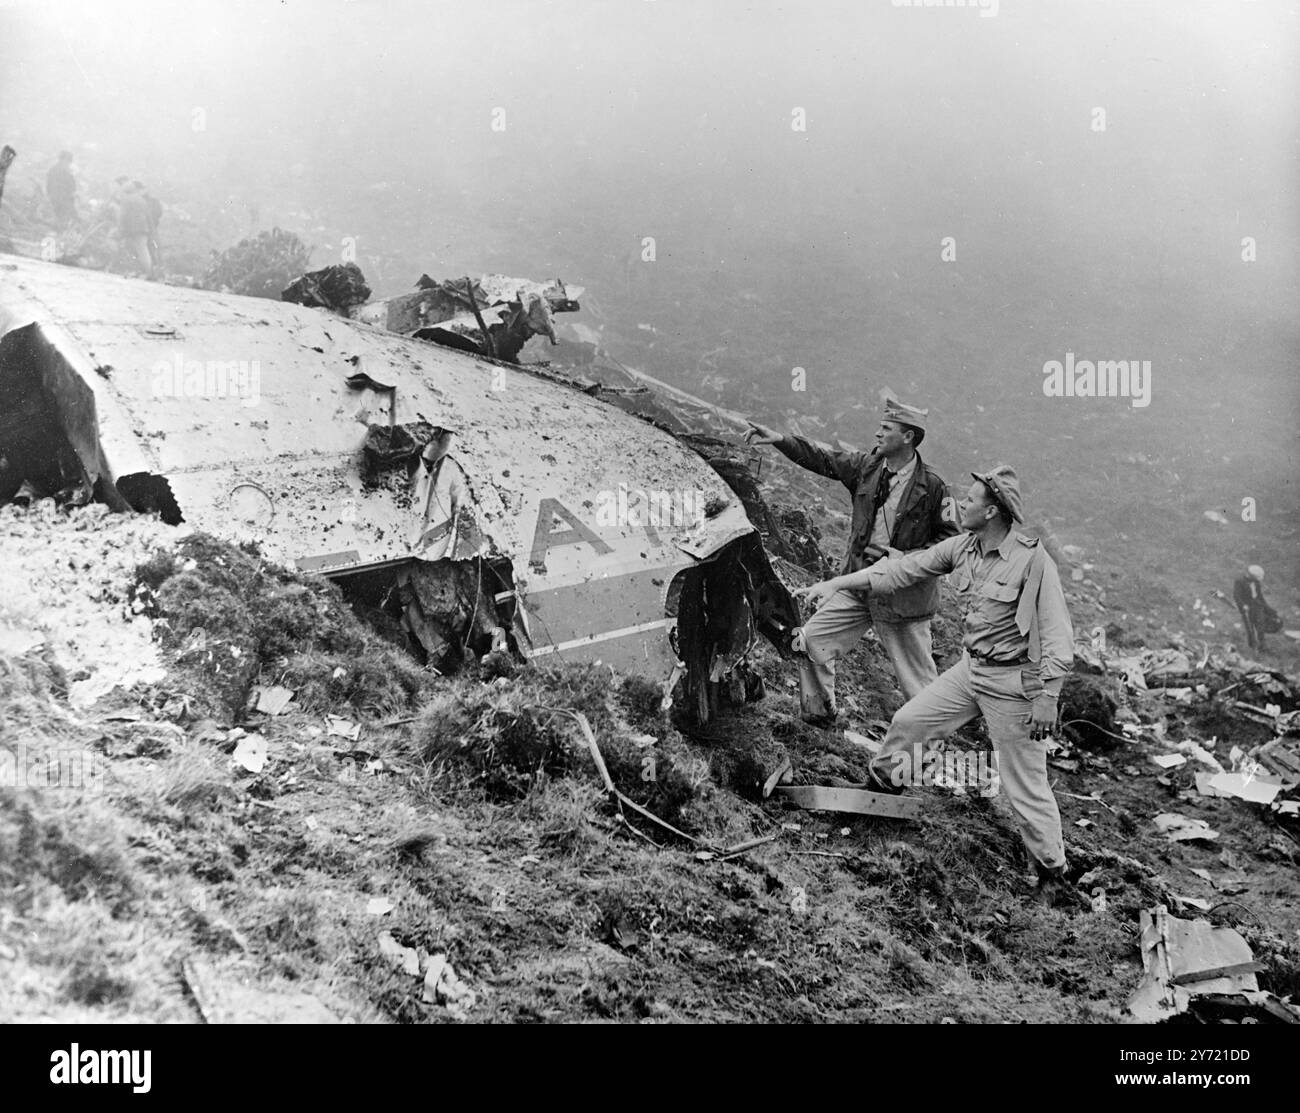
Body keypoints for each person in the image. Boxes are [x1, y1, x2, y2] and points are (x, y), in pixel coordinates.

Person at [796, 465, 1076, 905]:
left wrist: (1048, 696)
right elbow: (900, 571)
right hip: (973, 669)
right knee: (911, 720)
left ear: (992, 512)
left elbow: (1058, 635)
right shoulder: (963, 548)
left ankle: (1052, 874)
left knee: (1022, 782)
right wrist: (834, 583)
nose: (960, 504)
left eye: (971, 500)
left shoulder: (1033, 561)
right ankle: (883, 795)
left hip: (1016, 682)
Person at [746, 396, 958, 724]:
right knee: (811, 642)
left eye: (886, 428)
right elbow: (824, 459)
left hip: (903, 600)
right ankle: (818, 720)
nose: (877, 433)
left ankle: (923, 757)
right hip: (857, 586)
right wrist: (781, 441)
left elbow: (953, 543)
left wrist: (907, 559)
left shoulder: (933, 488)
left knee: (918, 687)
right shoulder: (868, 468)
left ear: (908, 437)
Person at [114, 179, 153, 274]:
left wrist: (120, 227)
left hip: (132, 228)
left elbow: (122, 215)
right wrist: (151, 229)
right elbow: (148, 215)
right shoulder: (141, 199)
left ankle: (146, 271)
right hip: (143, 228)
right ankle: (147, 271)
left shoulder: (126, 199)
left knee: (112, 238)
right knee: (142, 249)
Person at [1233, 565, 1271, 652]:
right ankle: (1253, 646)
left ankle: (1262, 645)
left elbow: (1259, 595)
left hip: (1256, 605)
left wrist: (1266, 607)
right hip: (1247, 607)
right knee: (1250, 628)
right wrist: (1243, 605)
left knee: (1260, 624)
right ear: (1251, 576)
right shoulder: (1239, 581)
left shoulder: (1256, 582)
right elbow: (1236, 596)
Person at [46, 151, 77, 228]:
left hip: (57, 197)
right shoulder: (64, 171)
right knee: (64, 216)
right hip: (62, 198)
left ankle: (59, 229)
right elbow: (72, 186)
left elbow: (48, 186)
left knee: (60, 216)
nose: (68, 163)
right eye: (68, 161)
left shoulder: (53, 170)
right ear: (63, 160)